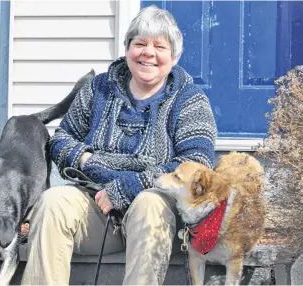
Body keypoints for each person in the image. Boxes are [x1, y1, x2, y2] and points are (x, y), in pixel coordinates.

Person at [21, 5, 217, 285]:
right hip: (97, 210)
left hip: (158, 218)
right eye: (140, 44)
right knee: (53, 202)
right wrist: (86, 161)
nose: (148, 53)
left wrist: (128, 186)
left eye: (159, 46)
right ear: (127, 50)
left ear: (174, 57)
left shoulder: (189, 101)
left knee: (150, 203)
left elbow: (197, 164)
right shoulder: (98, 89)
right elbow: (62, 140)